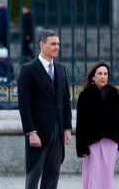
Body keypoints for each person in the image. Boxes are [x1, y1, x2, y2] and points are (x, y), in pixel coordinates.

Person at [17, 30, 72, 189]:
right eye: (53, 44)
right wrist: (31, 132)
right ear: (42, 44)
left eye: (58, 44)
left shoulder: (61, 69)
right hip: (38, 133)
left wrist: (67, 128)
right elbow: (24, 105)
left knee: (52, 176)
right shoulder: (28, 69)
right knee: (33, 176)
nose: (57, 47)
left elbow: (65, 101)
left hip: (58, 132)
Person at [76, 61, 119, 189]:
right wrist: (81, 147)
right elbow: (81, 123)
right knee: (93, 174)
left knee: (106, 175)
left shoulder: (115, 94)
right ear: (93, 77)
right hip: (92, 141)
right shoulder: (85, 95)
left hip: (110, 142)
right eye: (99, 73)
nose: (103, 76)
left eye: (105, 74)